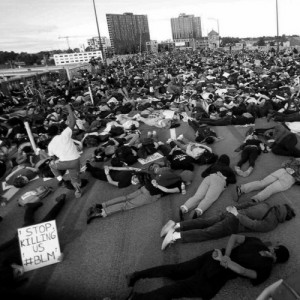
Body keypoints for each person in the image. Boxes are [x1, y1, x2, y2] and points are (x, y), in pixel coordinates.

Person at [125, 234, 289, 300]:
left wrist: (226, 254)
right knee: (180, 288)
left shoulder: (257, 241)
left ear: (275, 248)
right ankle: (138, 298)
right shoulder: (266, 270)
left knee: (178, 269)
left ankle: (136, 275)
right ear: (277, 261)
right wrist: (227, 261)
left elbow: (233, 237)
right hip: (219, 272)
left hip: (215, 255)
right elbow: (244, 271)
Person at [160, 200, 295, 250]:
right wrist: (237, 215)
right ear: (285, 217)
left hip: (231, 212)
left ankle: (176, 225)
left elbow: (248, 203)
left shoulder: (267, 204)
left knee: (205, 222)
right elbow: (254, 225)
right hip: (235, 222)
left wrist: (233, 209)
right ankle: (174, 236)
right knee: (209, 232)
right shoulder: (272, 223)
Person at [0, 194, 66, 289]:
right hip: (30, 241)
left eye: (15, 272)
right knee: (30, 221)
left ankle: (59, 201)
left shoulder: (3, 259)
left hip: (22, 237)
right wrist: (57, 256)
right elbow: (39, 256)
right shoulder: (19, 267)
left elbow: (4, 246)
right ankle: (30, 208)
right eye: (18, 276)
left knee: (45, 220)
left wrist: (18, 237)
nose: (19, 272)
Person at [86, 171, 183, 224]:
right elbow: (167, 191)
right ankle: (103, 212)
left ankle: (101, 205)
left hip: (145, 187)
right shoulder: (179, 185)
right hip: (150, 195)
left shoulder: (169, 173)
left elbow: (157, 173)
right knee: (126, 205)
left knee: (125, 197)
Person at [180, 154, 236, 219]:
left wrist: (212, 174)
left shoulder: (214, 165)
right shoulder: (228, 168)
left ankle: (184, 208)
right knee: (208, 199)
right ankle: (198, 211)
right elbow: (233, 180)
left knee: (198, 195)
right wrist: (224, 177)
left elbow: (203, 174)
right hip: (219, 181)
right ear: (227, 162)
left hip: (209, 178)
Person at [47, 104, 86, 198]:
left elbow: (52, 158)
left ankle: (61, 180)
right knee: (75, 178)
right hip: (75, 161)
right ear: (58, 131)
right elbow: (73, 121)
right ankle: (77, 191)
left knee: (52, 165)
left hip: (63, 163)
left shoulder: (50, 146)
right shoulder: (64, 134)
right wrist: (68, 108)